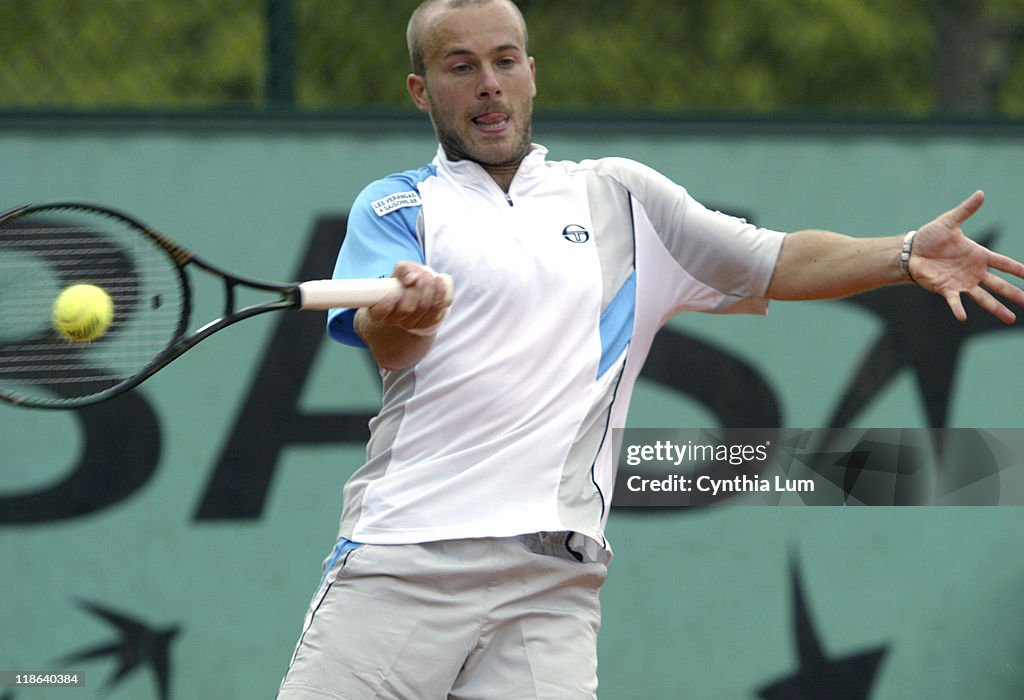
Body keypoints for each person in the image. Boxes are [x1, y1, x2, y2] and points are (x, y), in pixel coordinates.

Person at [277, 1, 1024, 697]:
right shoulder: (398, 205)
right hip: (406, 561)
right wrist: (411, 313)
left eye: (506, 61)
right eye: (461, 66)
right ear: (421, 88)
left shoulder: (621, 199)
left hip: (550, 586)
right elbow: (389, 343)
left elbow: (774, 261)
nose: (489, 85)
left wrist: (899, 253)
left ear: (532, 72)